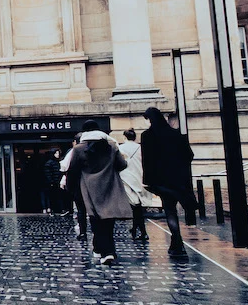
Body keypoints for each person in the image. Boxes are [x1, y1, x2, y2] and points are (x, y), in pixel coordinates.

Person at [67, 119, 131, 264]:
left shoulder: (78, 149)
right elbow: (121, 165)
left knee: (96, 220)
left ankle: (105, 251)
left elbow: (73, 170)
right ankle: (106, 250)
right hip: (110, 185)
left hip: (89, 188)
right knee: (109, 220)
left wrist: (71, 189)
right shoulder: (111, 146)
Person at [142, 106, 196, 253]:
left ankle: (177, 241)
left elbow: (147, 161)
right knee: (181, 205)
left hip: (162, 181)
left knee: (170, 210)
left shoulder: (147, 136)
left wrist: (147, 181)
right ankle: (177, 241)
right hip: (179, 179)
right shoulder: (176, 134)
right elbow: (189, 155)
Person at [119, 128, 147, 240]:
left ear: (124, 137)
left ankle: (142, 231)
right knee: (137, 206)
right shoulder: (141, 148)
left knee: (136, 206)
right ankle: (136, 229)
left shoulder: (120, 148)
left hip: (126, 178)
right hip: (138, 177)